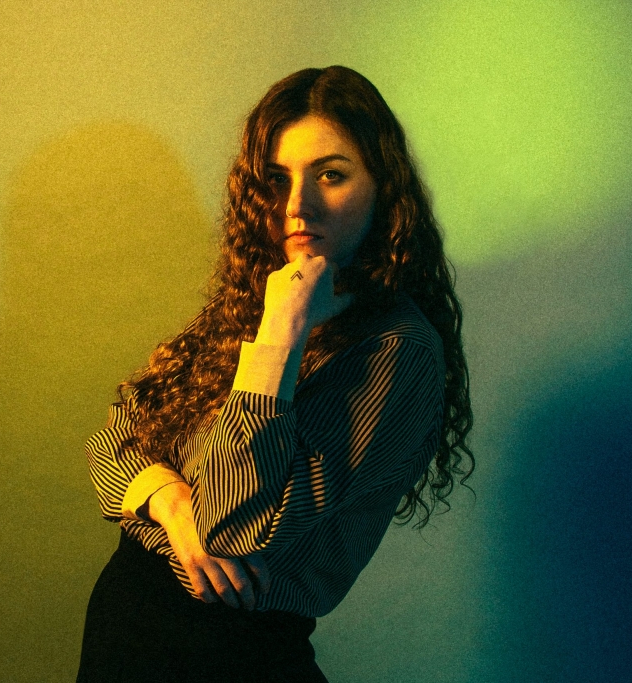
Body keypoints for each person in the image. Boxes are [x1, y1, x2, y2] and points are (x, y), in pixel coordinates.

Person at [77, 65, 473, 682]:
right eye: (277, 179)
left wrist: (281, 337)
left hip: (234, 653)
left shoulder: (397, 350)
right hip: (126, 634)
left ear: (384, 188)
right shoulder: (255, 297)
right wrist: (169, 500)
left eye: (331, 175)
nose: (297, 206)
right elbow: (114, 437)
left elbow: (229, 530)